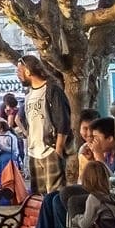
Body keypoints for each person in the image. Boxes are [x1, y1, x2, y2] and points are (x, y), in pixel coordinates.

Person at [16, 56, 71, 191]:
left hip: (50, 150)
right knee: (38, 197)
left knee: (55, 195)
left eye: (19, 71)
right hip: (34, 153)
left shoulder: (52, 90)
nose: (18, 75)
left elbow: (63, 120)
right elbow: (21, 119)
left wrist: (58, 150)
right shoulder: (28, 95)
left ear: (28, 71)